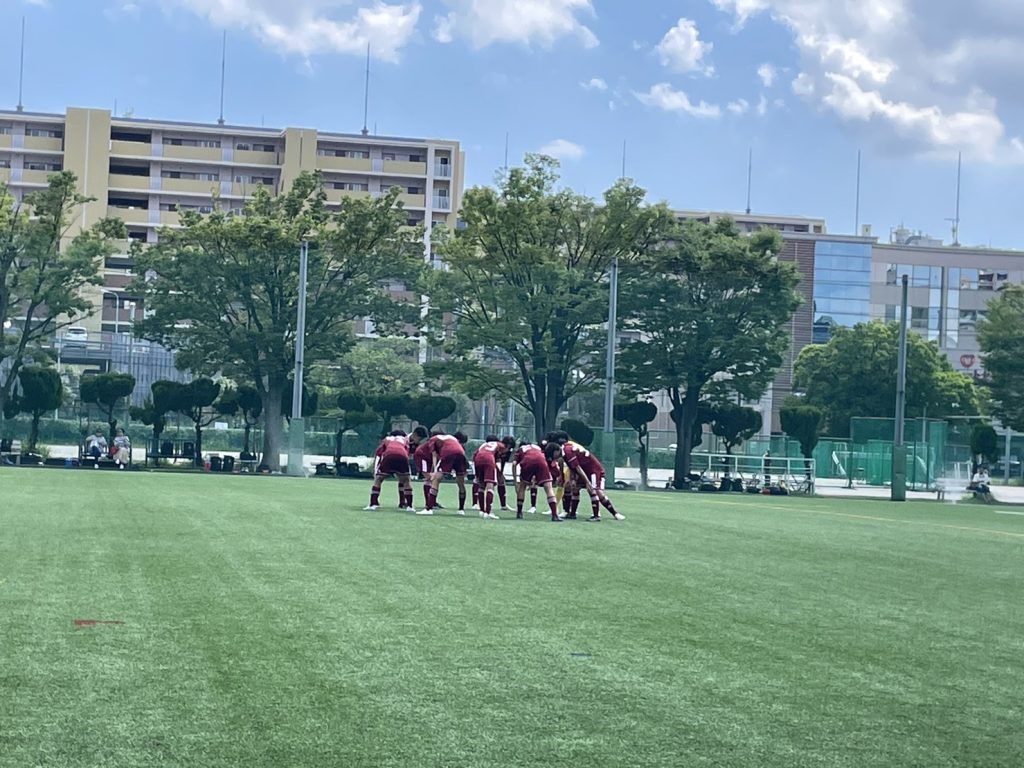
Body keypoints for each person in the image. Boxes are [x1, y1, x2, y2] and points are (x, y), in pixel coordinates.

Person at [547, 439, 625, 521]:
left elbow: (577, 467)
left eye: (552, 455)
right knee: (571, 487)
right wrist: (572, 478)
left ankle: (606, 514)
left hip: (593, 470)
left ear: (556, 451)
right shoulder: (565, 451)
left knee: (595, 491)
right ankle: (572, 513)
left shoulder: (567, 451)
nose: (554, 458)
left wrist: (587, 482)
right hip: (584, 469)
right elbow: (573, 466)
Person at [512, 441, 563, 522]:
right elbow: (543, 459)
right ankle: (554, 515)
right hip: (541, 461)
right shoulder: (538, 448)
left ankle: (519, 513)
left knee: (522, 486)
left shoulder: (521, 449)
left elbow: (514, 464)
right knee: (548, 487)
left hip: (527, 461)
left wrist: (515, 482)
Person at [422, 432, 469, 516]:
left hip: (448, 452)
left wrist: (434, 470)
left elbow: (434, 455)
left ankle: (429, 509)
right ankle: (461, 509)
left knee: (436, 479)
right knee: (461, 483)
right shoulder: (451, 438)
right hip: (461, 452)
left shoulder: (432, 440)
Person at [365, 431, 414, 511]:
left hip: (389, 455)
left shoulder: (387, 439)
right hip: (402, 456)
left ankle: (373, 504)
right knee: (406, 481)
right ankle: (409, 506)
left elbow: (378, 455)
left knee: (378, 479)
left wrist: (375, 471)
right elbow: (406, 453)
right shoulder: (405, 440)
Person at [472, 436, 515, 520]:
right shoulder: (501, 446)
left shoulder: (487, 444)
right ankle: (488, 512)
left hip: (478, 459)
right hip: (488, 459)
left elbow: (476, 453)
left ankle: (482, 511)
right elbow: (498, 458)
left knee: (481, 485)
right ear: (508, 446)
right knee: (490, 485)